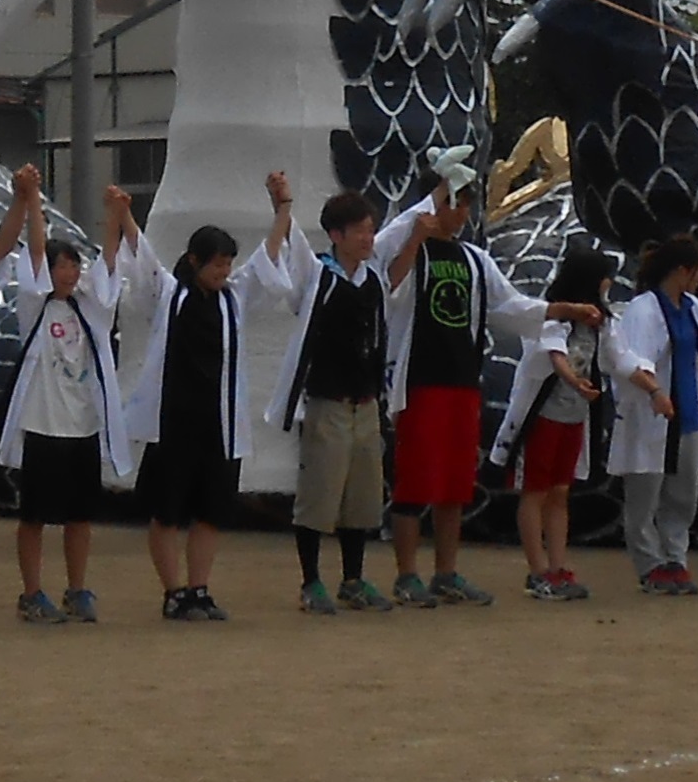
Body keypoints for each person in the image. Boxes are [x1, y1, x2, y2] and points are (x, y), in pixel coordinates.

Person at [110, 181, 283, 620]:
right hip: (174, 423)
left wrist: (281, 207)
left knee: (211, 512)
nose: (224, 270)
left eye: (228, 263)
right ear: (194, 260)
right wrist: (123, 213)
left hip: (220, 424)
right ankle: (173, 591)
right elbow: (142, 256)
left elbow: (270, 257)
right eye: (217, 263)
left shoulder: (234, 299)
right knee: (166, 512)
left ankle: (200, 588)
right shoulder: (171, 295)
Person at [374, 166, 541, 608]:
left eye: (467, 203)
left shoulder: (474, 259)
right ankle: (406, 574)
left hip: (463, 380)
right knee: (413, 481)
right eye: (455, 202)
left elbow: (512, 306)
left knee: (455, 484)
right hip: (419, 381)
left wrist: (560, 309)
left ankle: (445, 572)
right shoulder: (412, 250)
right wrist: (415, 237)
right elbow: (387, 286)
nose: (463, 212)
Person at [0, 172, 133, 623]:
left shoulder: (89, 309)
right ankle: (32, 592)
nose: (69, 273)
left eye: (74, 265)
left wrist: (115, 217)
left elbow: (110, 265)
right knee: (34, 516)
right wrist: (31, 201)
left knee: (79, 516)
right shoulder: (35, 306)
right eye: (60, 266)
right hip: (41, 426)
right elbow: (34, 251)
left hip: (83, 427)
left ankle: (77, 588)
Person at [262, 178, 397, 613]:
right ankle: (311, 581)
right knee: (319, 496)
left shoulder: (373, 280)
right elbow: (293, 244)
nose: (367, 238)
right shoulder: (319, 276)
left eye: (371, 229)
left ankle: (353, 579)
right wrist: (281, 202)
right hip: (328, 401)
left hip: (366, 402)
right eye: (358, 230)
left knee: (362, 498)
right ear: (336, 235)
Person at [613, 236, 698, 599]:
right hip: (654, 415)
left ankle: (674, 558)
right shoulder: (643, 309)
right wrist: (654, 392)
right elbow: (633, 359)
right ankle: (649, 565)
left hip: (688, 414)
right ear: (682, 271)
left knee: (683, 495)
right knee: (644, 497)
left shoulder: (692, 307)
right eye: (697, 271)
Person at [499, 244, 619, 601]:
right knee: (535, 491)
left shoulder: (601, 323)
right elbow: (556, 353)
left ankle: (558, 565)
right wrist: (574, 380)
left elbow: (619, 356)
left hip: (574, 418)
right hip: (544, 416)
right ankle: (537, 571)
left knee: (560, 493)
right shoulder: (555, 317)